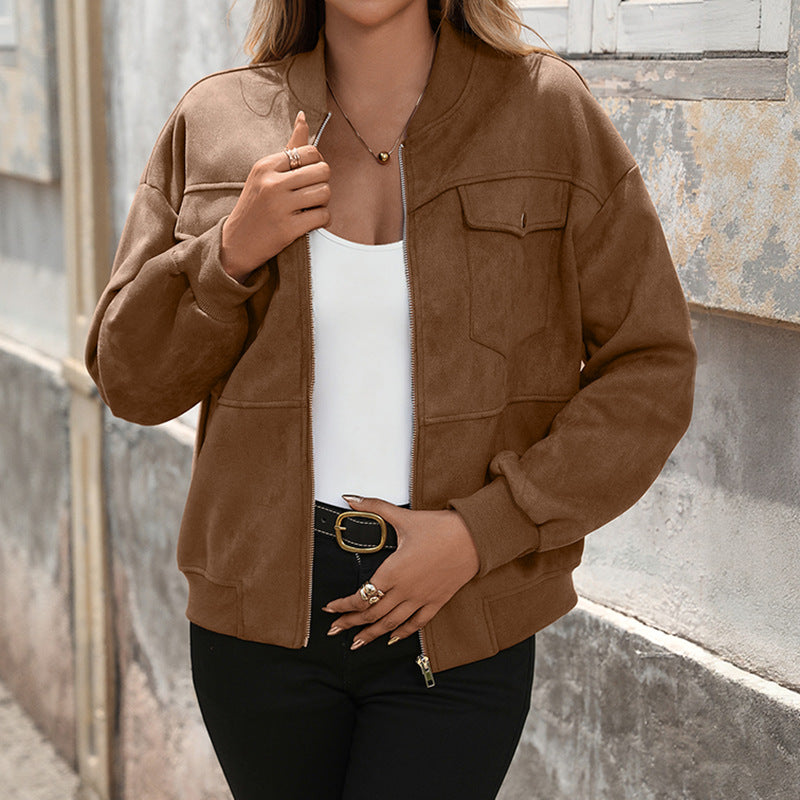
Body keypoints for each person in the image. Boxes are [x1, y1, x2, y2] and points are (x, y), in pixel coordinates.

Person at [84, 0, 697, 797]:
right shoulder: (217, 117)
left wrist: (482, 532)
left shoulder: (545, 111)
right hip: (259, 616)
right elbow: (129, 379)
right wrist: (229, 252)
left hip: (459, 607)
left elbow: (652, 366)